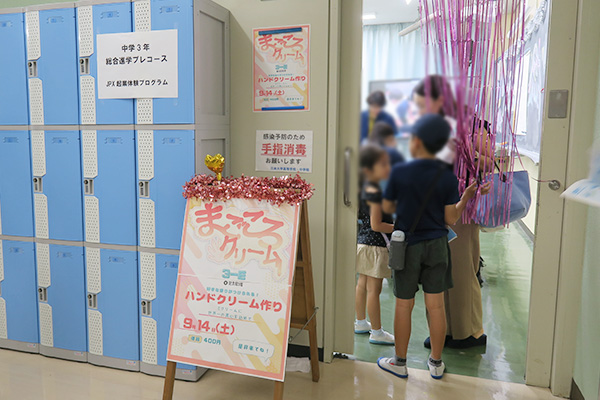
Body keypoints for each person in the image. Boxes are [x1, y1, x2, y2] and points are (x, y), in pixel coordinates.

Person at [377, 114, 491, 379]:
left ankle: (400, 362)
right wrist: (465, 198)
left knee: (403, 306)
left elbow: (388, 208)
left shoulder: (399, 172)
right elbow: (451, 218)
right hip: (438, 245)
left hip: (406, 245)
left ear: (415, 141)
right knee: (436, 306)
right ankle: (436, 364)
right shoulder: (448, 178)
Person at [413, 75, 493, 350]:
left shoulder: (473, 127)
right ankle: (442, 330)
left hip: (462, 209)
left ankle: (468, 332)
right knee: (436, 269)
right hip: (432, 207)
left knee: (459, 271)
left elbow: (489, 162)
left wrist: (466, 148)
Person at [354, 144, 395, 345]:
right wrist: (397, 228)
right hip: (376, 246)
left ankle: (361, 322)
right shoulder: (376, 191)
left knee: (362, 285)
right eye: (383, 164)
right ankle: (377, 332)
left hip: (362, 243)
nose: (388, 167)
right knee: (374, 290)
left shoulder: (363, 188)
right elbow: (377, 224)